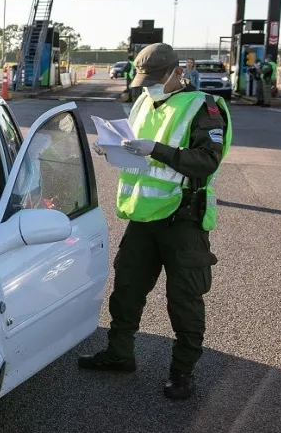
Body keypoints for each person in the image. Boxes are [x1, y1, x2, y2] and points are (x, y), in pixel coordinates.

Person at [78, 42, 232, 400]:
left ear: (178, 72)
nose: (148, 87)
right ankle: (119, 354)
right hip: (144, 217)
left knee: (184, 299)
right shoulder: (144, 101)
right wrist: (115, 149)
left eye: (155, 80)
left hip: (184, 220)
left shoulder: (204, 108)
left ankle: (182, 374)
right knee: (127, 289)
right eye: (144, 81)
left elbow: (206, 161)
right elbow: (135, 146)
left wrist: (156, 150)